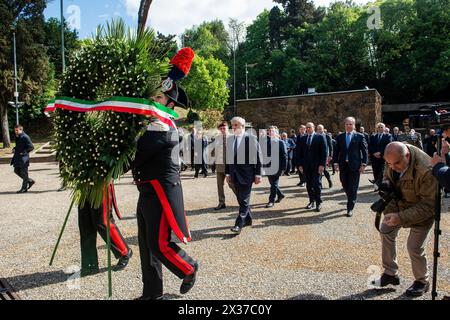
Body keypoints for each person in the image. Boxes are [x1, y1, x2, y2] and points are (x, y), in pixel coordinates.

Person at [133, 48, 198, 300]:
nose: (153, 100)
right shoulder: (152, 124)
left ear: (170, 105)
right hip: (146, 190)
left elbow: (135, 157)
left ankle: (189, 267)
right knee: (147, 246)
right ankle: (152, 293)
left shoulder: (162, 128)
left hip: (159, 193)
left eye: (159, 98)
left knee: (159, 245)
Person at [375, 142, 436, 297]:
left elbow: (429, 205)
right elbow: (388, 182)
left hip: (422, 212)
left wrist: (400, 218)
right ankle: (390, 273)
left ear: (407, 156)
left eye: (396, 163)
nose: (393, 167)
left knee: (414, 247)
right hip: (399, 206)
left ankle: (422, 281)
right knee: (385, 230)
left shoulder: (426, 169)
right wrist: (390, 212)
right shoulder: (394, 158)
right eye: (389, 164)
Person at [77, 182, 133, 276]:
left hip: (100, 182)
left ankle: (124, 251)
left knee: (103, 222)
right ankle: (90, 264)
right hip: (83, 184)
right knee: (85, 223)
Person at [225, 117, 262, 234]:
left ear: (243, 126)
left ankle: (238, 224)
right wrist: (227, 173)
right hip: (234, 175)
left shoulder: (251, 139)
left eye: (236, 125)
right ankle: (248, 219)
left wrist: (258, 174)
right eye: (232, 125)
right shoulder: (230, 139)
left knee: (244, 200)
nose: (233, 127)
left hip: (247, 174)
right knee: (241, 199)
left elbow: (258, 157)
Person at [333, 117, 368, 217]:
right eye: (347, 124)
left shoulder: (360, 136)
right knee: (344, 184)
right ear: (344, 125)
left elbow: (365, 151)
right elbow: (336, 152)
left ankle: (350, 207)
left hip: (355, 166)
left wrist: (364, 164)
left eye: (350, 124)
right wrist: (335, 163)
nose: (348, 126)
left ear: (354, 125)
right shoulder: (340, 137)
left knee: (353, 187)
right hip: (343, 165)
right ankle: (351, 198)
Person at [298, 122, 327, 212]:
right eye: (307, 127)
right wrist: (300, 165)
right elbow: (299, 153)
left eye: (309, 127)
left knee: (316, 184)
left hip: (317, 166)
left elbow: (324, 152)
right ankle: (311, 201)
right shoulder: (303, 139)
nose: (308, 129)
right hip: (306, 166)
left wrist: (322, 165)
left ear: (313, 127)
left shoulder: (320, 137)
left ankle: (318, 202)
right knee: (309, 185)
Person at [213, 120, 236, 210]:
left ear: (227, 128)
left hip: (229, 166)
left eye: (224, 128)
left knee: (231, 184)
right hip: (219, 165)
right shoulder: (217, 138)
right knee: (219, 185)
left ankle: (241, 200)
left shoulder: (232, 137)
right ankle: (221, 202)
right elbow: (216, 151)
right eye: (221, 128)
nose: (222, 129)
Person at [264, 126, 287, 208]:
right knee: (272, 183)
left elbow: (284, 156)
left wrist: (284, 168)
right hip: (268, 167)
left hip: (277, 167)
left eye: (272, 131)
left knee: (273, 184)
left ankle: (271, 200)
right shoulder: (266, 142)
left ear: (276, 132)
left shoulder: (281, 142)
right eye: (269, 131)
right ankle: (280, 195)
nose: (270, 132)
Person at [10, 124, 35, 193]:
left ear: (21, 130)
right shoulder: (17, 137)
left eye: (17, 130)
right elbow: (18, 146)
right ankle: (30, 181)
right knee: (16, 171)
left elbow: (31, 147)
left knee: (24, 173)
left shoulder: (25, 137)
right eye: (15, 130)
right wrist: (14, 149)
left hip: (24, 158)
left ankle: (24, 188)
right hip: (17, 158)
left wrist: (24, 152)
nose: (16, 132)